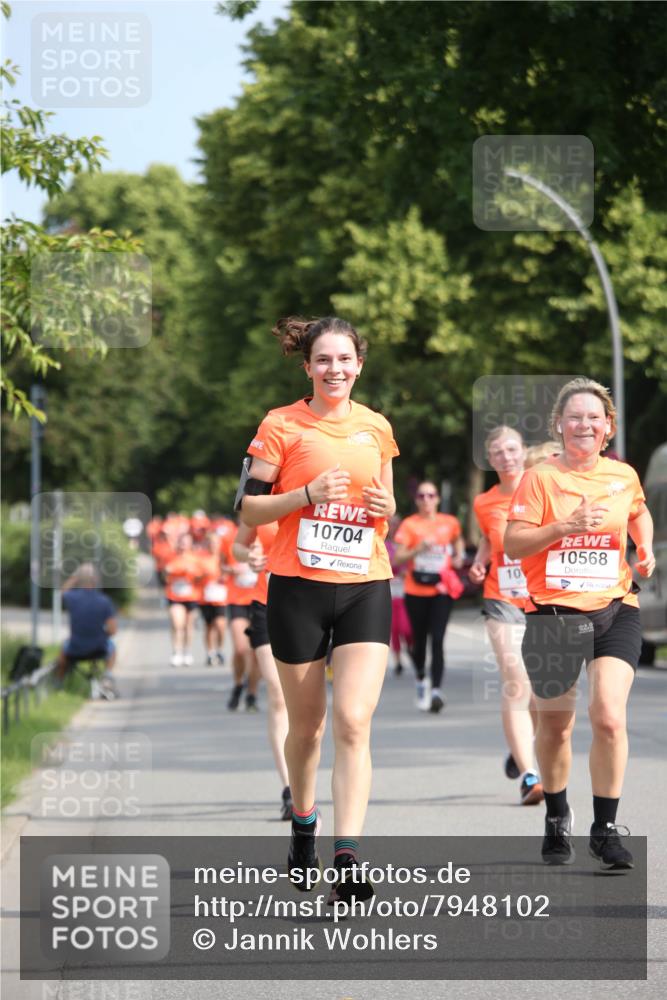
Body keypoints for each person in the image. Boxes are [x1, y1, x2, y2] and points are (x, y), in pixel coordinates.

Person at [238, 315, 398, 903]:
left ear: (359, 365)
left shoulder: (377, 428)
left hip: (364, 583)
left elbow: (386, 505)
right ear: (307, 367)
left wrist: (387, 505)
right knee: (307, 729)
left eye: (345, 359)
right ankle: (304, 823)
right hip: (298, 587)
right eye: (323, 360)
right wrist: (305, 495)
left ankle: (348, 855)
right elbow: (250, 512)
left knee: (355, 721)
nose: (335, 369)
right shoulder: (282, 424)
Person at [505, 377, 655, 869]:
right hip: (553, 615)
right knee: (556, 726)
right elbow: (514, 544)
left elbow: (638, 513)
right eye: (575, 417)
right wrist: (565, 527)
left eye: (594, 417)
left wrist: (646, 546)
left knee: (609, 717)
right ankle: (556, 813)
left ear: (607, 427)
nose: (584, 424)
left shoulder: (623, 476)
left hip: (615, 607)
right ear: (560, 426)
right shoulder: (540, 479)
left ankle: (605, 830)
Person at [469, 426, 543, 806]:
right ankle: (529, 776)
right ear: (490, 459)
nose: (506, 456)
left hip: (545, 598)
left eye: (512, 449)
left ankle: (522, 746)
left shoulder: (544, 488)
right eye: (497, 452)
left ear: (523, 451)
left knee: (542, 691)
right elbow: (488, 537)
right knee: (516, 678)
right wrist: (481, 563)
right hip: (502, 598)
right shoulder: (484, 502)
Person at [233, 519, 293, 819]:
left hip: (307, 607)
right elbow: (238, 546)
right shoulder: (260, 498)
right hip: (265, 606)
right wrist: (249, 557)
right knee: (279, 694)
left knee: (307, 705)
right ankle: (290, 789)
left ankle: (304, 776)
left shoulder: (317, 492)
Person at [393, 483, 465, 712]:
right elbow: (397, 558)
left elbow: (457, 540)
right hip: (416, 590)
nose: (426, 499)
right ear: (417, 500)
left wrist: (460, 555)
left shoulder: (449, 522)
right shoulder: (409, 524)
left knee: (438, 639)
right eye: (422, 495)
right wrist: (419, 549)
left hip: (442, 590)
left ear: (436, 499)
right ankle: (421, 678)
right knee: (419, 641)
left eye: (431, 495)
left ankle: (436, 691)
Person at [55, 564, 117, 696]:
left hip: (75, 648)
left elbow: (62, 592)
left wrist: (75, 577)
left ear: (80, 581)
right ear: (95, 581)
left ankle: (59, 683)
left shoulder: (72, 598)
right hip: (99, 648)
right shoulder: (104, 601)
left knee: (63, 648)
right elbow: (113, 630)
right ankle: (107, 675)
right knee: (113, 647)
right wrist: (103, 635)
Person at [219, 521, 261, 711]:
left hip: (260, 599)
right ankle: (238, 684)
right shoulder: (231, 537)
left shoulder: (268, 532)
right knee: (240, 649)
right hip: (237, 600)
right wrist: (232, 570)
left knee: (256, 653)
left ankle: (252, 694)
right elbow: (220, 565)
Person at [164, 534, 200, 666]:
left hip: (192, 596)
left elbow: (201, 577)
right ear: (178, 543)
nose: (184, 545)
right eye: (182, 542)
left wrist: (194, 573)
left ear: (191, 544)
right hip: (174, 596)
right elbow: (164, 575)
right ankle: (176, 652)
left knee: (188, 626)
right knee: (177, 623)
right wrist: (167, 572)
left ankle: (187, 652)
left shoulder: (196, 558)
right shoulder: (171, 557)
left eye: (186, 542)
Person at [197, 533, 229, 667]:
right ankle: (210, 653)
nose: (213, 545)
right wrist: (202, 576)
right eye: (210, 543)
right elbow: (195, 578)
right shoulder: (201, 559)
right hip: (206, 597)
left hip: (221, 598)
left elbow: (231, 574)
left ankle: (220, 650)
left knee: (221, 625)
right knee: (209, 626)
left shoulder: (224, 559)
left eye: (215, 543)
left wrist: (225, 576)